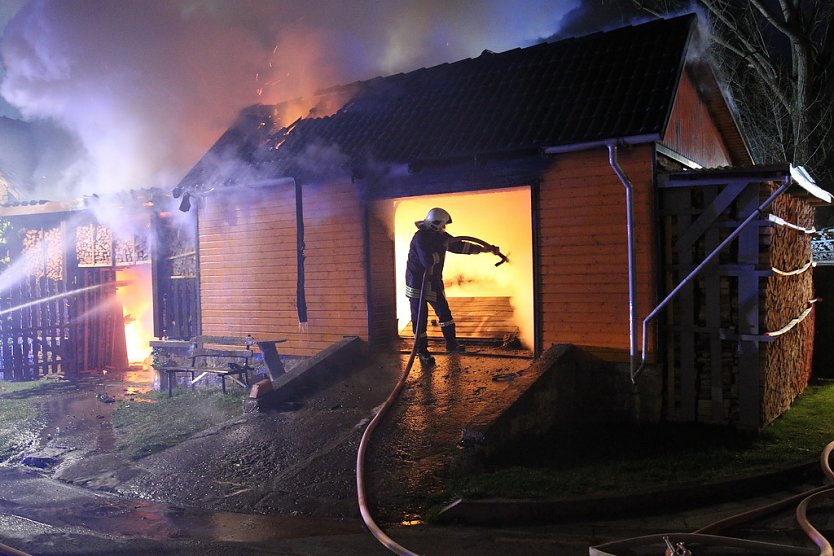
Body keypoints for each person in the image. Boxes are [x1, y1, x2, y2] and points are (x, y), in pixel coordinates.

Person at [406, 207, 499, 366]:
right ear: (436, 224)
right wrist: (441, 249)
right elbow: (427, 261)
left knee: (444, 313)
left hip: (433, 281)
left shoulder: (439, 236)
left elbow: (459, 246)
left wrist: (484, 250)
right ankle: (422, 352)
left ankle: (451, 344)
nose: (445, 229)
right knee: (420, 319)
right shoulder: (420, 238)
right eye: (443, 226)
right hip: (417, 284)